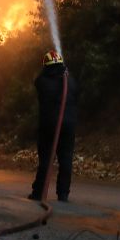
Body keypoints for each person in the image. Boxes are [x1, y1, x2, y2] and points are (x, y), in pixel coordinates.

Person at [28, 50, 78, 202]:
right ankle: (63, 194)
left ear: (46, 66)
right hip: (68, 126)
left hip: (50, 126)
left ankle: (38, 193)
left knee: (46, 159)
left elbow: (37, 81)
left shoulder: (43, 81)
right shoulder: (70, 80)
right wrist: (65, 72)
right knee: (66, 160)